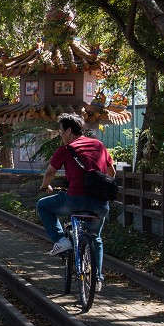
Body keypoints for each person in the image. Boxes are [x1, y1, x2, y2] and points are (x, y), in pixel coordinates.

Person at [36, 113, 116, 292]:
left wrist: (45, 187)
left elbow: (49, 173)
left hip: (75, 201)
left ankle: (61, 240)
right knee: (95, 237)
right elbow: (112, 173)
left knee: (43, 205)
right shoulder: (99, 145)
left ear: (69, 130)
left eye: (61, 131)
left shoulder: (65, 149)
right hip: (100, 204)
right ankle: (97, 278)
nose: (60, 135)